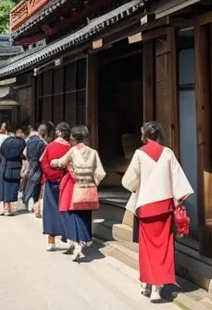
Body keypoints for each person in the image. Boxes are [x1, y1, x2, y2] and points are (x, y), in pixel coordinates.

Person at [122, 121, 193, 300]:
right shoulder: (167, 153)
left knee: (146, 248)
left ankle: (147, 283)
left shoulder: (139, 154)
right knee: (164, 248)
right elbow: (178, 179)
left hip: (145, 207)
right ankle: (157, 287)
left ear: (144, 136)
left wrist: (139, 186)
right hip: (164, 207)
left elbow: (129, 180)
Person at [51, 125, 106, 262]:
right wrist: (94, 183)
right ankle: (83, 240)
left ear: (74, 138)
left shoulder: (73, 151)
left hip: (76, 187)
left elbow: (62, 163)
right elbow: (100, 172)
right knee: (85, 215)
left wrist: (54, 162)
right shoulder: (93, 152)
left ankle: (76, 244)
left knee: (72, 214)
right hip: (89, 187)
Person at [40, 122, 71, 251]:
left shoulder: (50, 146)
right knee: (66, 209)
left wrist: (51, 174)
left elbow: (43, 162)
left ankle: (51, 241)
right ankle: (69, 239)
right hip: (65, 181)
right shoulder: (70, 148)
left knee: (50, 210)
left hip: (50, 181)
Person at [0, 126, 25, 216]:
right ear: (21, 134)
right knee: (10, 188)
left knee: (3, 188)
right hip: (14, 168)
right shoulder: (21, 144)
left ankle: (2, 208)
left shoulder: (6, 143)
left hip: (3, 167)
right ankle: (9, 209)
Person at [22, 124, 47, 211]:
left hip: (30, 162)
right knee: (35, 183)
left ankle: (26, 200)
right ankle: (33, 202)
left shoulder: (30, 140)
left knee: (29, 180)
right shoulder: (42, 142)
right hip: (38, 164)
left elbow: (24, 152)